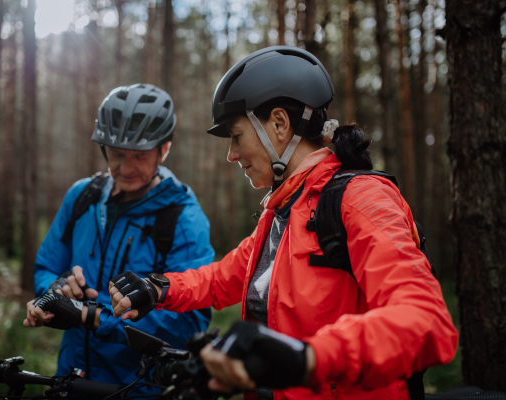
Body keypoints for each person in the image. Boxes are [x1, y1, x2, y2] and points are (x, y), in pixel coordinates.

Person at [108, 47, 458, 400]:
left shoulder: (361, 199)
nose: (231, 154)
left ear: (279, 124)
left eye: (237, 136)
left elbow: (426, 322)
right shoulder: (282, 213)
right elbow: (220, 279)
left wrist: (307, 358)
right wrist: (158, 287)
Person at [23, 84, 214, 396]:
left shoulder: (183, 218)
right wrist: (55, 292)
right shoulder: (81, 197)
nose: (126, 169)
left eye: (140, 156)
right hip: (71, 380)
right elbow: (46, 265)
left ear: (163, 149)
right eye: (116, 154)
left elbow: (189, 324)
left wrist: (95, 318)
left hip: (140, 388)